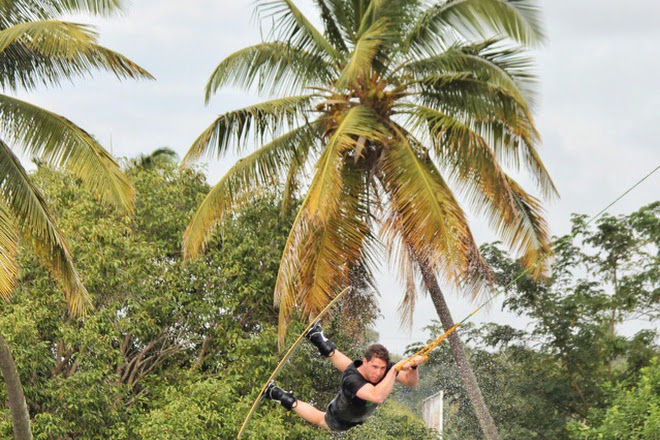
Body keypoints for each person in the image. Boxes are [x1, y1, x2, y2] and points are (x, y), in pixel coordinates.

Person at [262, 320, 426, 431]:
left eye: (382, 368)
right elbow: (377, 396)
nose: (378, 372)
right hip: (341, 415)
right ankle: (277, 394)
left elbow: (410, 382)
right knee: (321, 420)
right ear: (365, 361)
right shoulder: (351, 380)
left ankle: (318, 339)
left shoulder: (385, 368)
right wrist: (394, 369)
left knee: (351, 367)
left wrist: (413, 367)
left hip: (359, 415)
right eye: (375, 367)